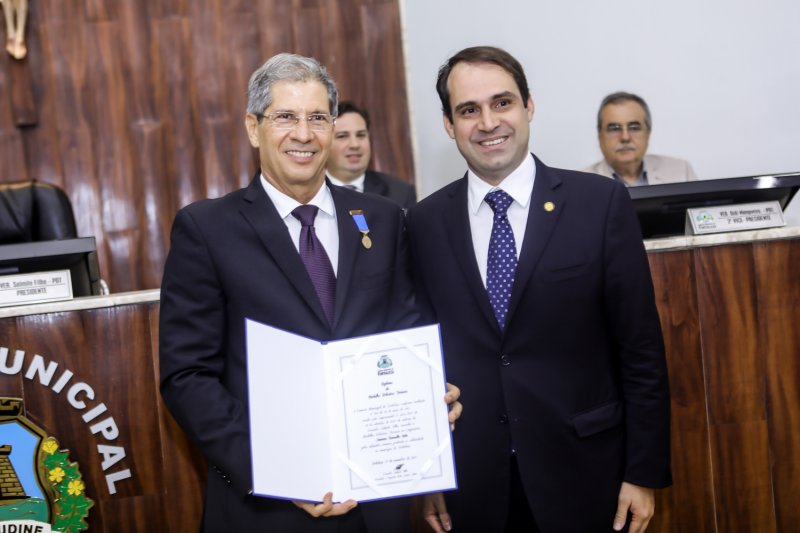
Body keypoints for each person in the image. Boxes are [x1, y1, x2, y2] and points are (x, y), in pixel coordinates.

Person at [159, 53, 460, 533]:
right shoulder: (206, 229)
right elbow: (188, 377)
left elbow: (406, 334)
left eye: (318, 117)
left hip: (378, 504)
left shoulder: (382, 219)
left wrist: (429, 394)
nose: (304, 134)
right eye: (285, 117)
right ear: (254, 129)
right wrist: (278, 472)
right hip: (267, 510)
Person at [406, 46, 671, 532]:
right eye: (468, 110)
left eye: (502, 102)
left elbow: (641, 351)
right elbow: (421, 357)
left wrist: (643, 471)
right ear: (449, 124)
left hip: (589, 477)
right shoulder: (422, 224)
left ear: (529, 106)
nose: (488, 122)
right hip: (473, 486)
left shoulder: (600, 203)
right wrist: (428, 477)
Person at [583, 91, 696, 186]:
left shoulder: (681, 171)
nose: (625, 137)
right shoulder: (581, 183)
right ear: (599, 136)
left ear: (648, 133)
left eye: (634, 128)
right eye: (614, 129)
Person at [326, 101, 417, 209]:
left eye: (361, 135)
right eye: (342, 136)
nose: (354, 145)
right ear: (325, 142)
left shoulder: (399, 193)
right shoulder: (311, 191)